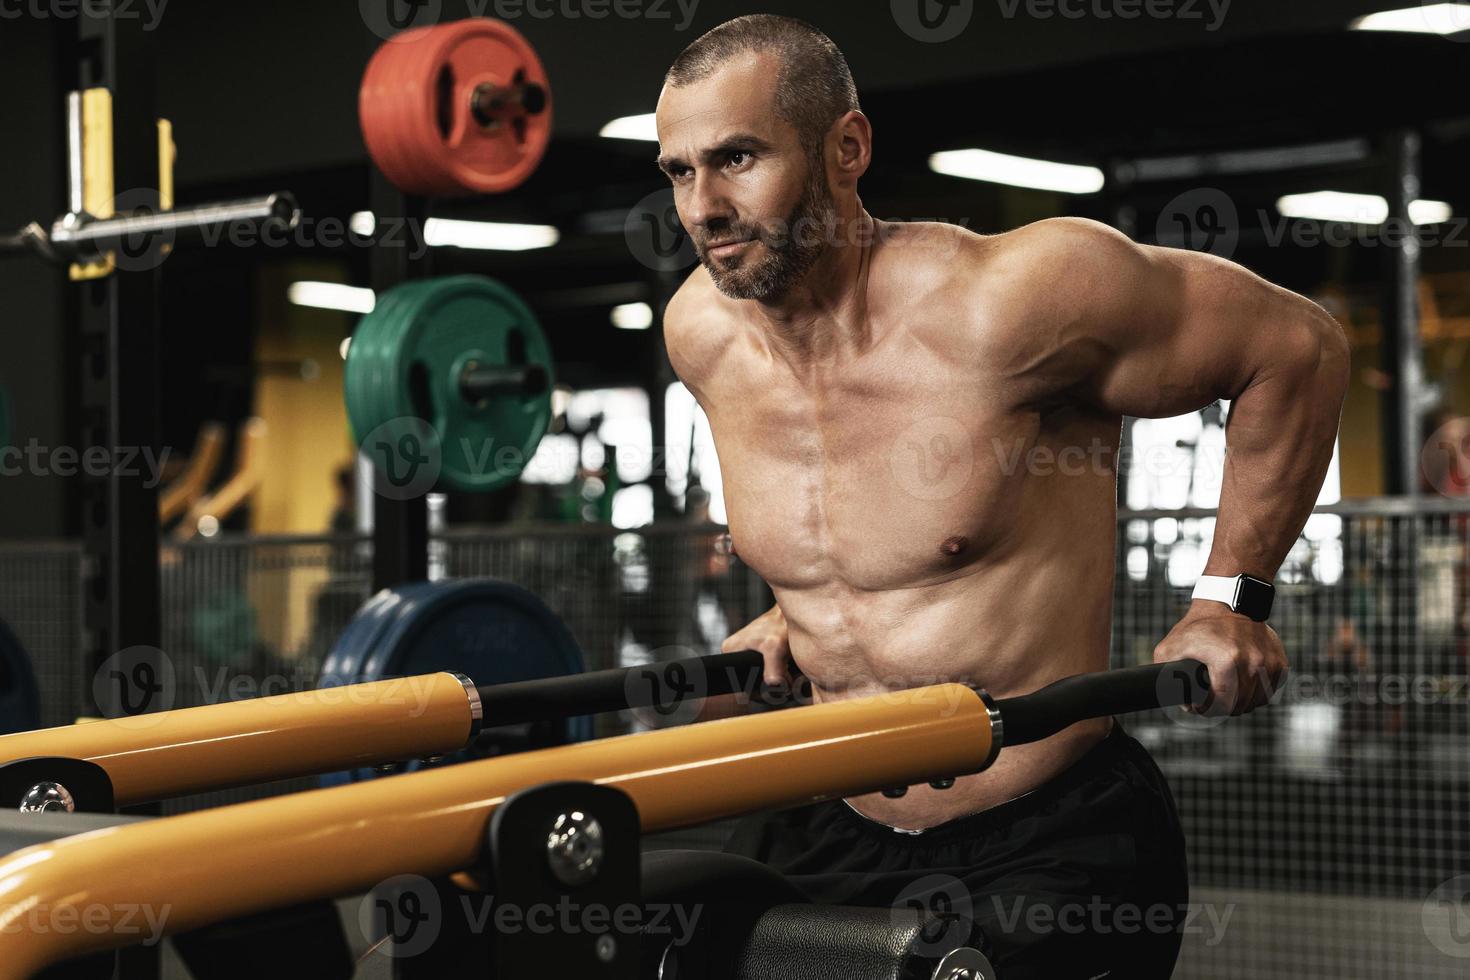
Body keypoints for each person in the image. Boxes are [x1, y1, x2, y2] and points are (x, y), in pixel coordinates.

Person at [655, 15, 1350, 977]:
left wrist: (1230, 599)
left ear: (846, 148)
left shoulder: (1015, 300)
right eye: (679, 172)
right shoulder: (702, 333)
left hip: (1044, 837)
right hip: (830, 821)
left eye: (736, 158)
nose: (704, 206)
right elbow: (867, 525)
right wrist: (791, 608)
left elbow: (1296, 349)